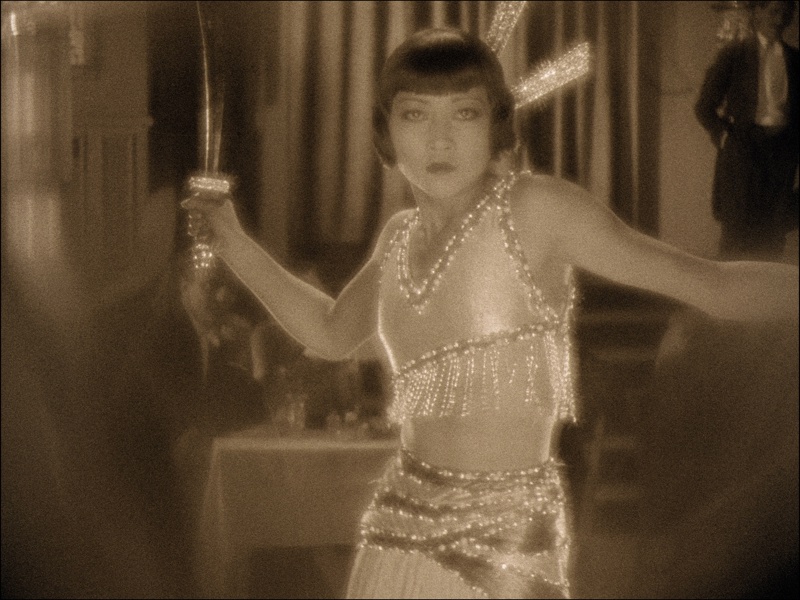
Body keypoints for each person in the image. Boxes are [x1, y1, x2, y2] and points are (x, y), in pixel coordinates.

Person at [183, 28, 799, 599]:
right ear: (386, 132)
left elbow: (710, 284)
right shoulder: (397, 240)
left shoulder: (536, 212)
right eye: (416, 114)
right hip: (396, 525)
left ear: (496, 125)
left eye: (465, 113)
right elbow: (329, 333)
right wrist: (234, 244)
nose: (440, 140)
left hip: (505, 545)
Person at [695, 0, 799, 260]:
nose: (779, 20)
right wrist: (725, 136)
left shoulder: (796, 60)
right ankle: (729, 287)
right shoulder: (735, 54)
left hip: (782, 155)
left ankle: (763, 286)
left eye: (786, 14)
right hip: (743, 152)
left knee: (773, 234)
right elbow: (704, 106)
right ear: (758, 12)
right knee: (736, 233)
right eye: (774, 12)